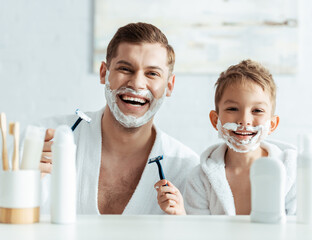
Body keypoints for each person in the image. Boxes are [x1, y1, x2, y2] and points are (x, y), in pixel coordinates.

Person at [37, 22, 199, 215]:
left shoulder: (188, 169)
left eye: (152, 73)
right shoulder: (44, 141)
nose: (137, 84)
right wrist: (19, 180)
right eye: (125, 69)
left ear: (169, 86)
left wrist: (184, 227)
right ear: (104, 73)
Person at [155, 59, 296, 215]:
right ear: (216, 120)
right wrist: (181, 214)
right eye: (233, 108)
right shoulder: (200, 179)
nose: (244, 120)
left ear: (273, 124)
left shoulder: (290, 172)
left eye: (257, 111)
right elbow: (199, 232)